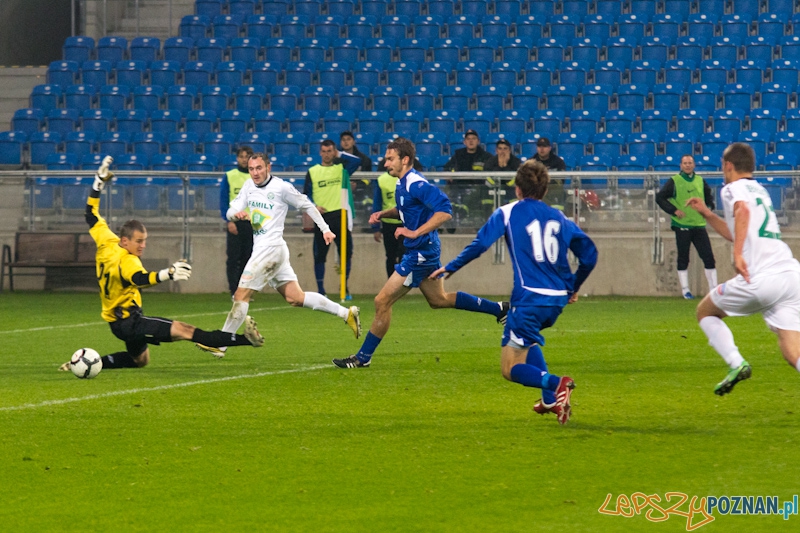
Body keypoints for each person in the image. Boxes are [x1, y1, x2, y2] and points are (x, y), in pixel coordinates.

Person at [58, 156, 264, 372]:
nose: (143, 246)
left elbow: (90, 214)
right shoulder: (126, 260)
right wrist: (169, 274)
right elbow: (140, 279)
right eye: (139, 241)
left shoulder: (107, 241)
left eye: (144, 240)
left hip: (118, 321)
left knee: (140, 360)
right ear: (125, 241)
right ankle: (247, 340)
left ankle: (83, 365)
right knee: (186, 330)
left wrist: (98, 183)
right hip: (130, 322)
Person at [431, 160, 598, 425]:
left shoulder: (507, 212)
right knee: (527, 339)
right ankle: (549, 401)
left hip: (529, 298)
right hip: (555, 301)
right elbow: (590, 255)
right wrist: (573, 287)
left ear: (517, 189)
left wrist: (451, 267)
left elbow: (480, 244)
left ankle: (557, 384)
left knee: (509, 369)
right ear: (544, 191)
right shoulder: (559, 217)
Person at [332, 137, 509, 369]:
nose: (386, 164)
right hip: (424, 250)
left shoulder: (416, 183)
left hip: (420, 254)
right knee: (439, 300)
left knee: (381, 301)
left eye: (390, 159)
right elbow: (406, 209)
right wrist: (383, 214)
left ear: (405, 160)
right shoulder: (402, 183)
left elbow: (445, 211)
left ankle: (363, 357)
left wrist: (415, 233)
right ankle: (499, 309)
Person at [197, 152, 362, 358]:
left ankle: (220, 344)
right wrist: (236, 214)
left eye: (259, 168)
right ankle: (346, 313)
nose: (255, 173)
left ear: (269, 167)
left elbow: (307, 204)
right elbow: (232, 209)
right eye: (251, 169)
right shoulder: (249, 186)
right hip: (270, 250)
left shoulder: (281, 187)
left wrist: (325, 229)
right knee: (296, 298)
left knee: (241, 295)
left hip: (271, 249)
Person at [687, 142, 800, 396]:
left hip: (762, 277)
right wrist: (706, 213)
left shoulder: (732, 188)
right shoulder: (759, 189)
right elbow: (736, 229)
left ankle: (736, 363)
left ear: (728, 166)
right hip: (791, 276)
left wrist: (738, 255)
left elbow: (742, 210)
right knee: (793, 351)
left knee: (705, 311)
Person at [303, 139, 362, 298]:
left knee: (346, 253)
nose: (327, 154)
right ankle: (321, 290)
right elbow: (306, 195)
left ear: (334, 152)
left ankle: (345, 286)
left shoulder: (341, 169)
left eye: (330, 151)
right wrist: (314, 206)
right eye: (324, 151)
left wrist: (340, 154)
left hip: (340, 215)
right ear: (320, 152)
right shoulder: (313, 171)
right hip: (322, 218)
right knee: (319, 255)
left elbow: (357, 161)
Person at [655, 154, 718, 299]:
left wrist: (707, 210)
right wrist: (673, 210)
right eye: (685, 163)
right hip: (682, 225)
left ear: (694, 165)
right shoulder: (675, 181)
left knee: (708, 257)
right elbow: (660, 197)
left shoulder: (700, 181)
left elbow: (709, 199)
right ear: (681, 165)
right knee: (683, 257)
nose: (688, 165)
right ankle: (685, 290)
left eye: (690, 163)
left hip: (699, 224)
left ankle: (714, 290)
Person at [221, 145, 255, 296]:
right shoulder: (230, 176)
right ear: (237, 158)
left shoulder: (256, 176)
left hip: (252, 223)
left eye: (247, 156)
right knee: (233, 258)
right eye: (241, 156)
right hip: (235, 222)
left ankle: (244, 290)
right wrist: (228, 221)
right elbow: (223, 200)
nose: (243, 159)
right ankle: (234, 290)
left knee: (248, 259)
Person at [371, 159, 406, 278]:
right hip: (388, 225)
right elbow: (377, 204)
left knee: (403, 254)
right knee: (390, 256)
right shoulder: (382, 180)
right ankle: (391, 282)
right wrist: (376, 228)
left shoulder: (406, 179)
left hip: (404, 223)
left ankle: (401, 282)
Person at [531, 137, 567, 210]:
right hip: (536, 193)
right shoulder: (531, 162)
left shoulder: (558, 162)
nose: (541, 149)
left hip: (553, 193)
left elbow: (561, 181)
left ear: (549, 148)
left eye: (544, 146)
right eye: (539, 146)